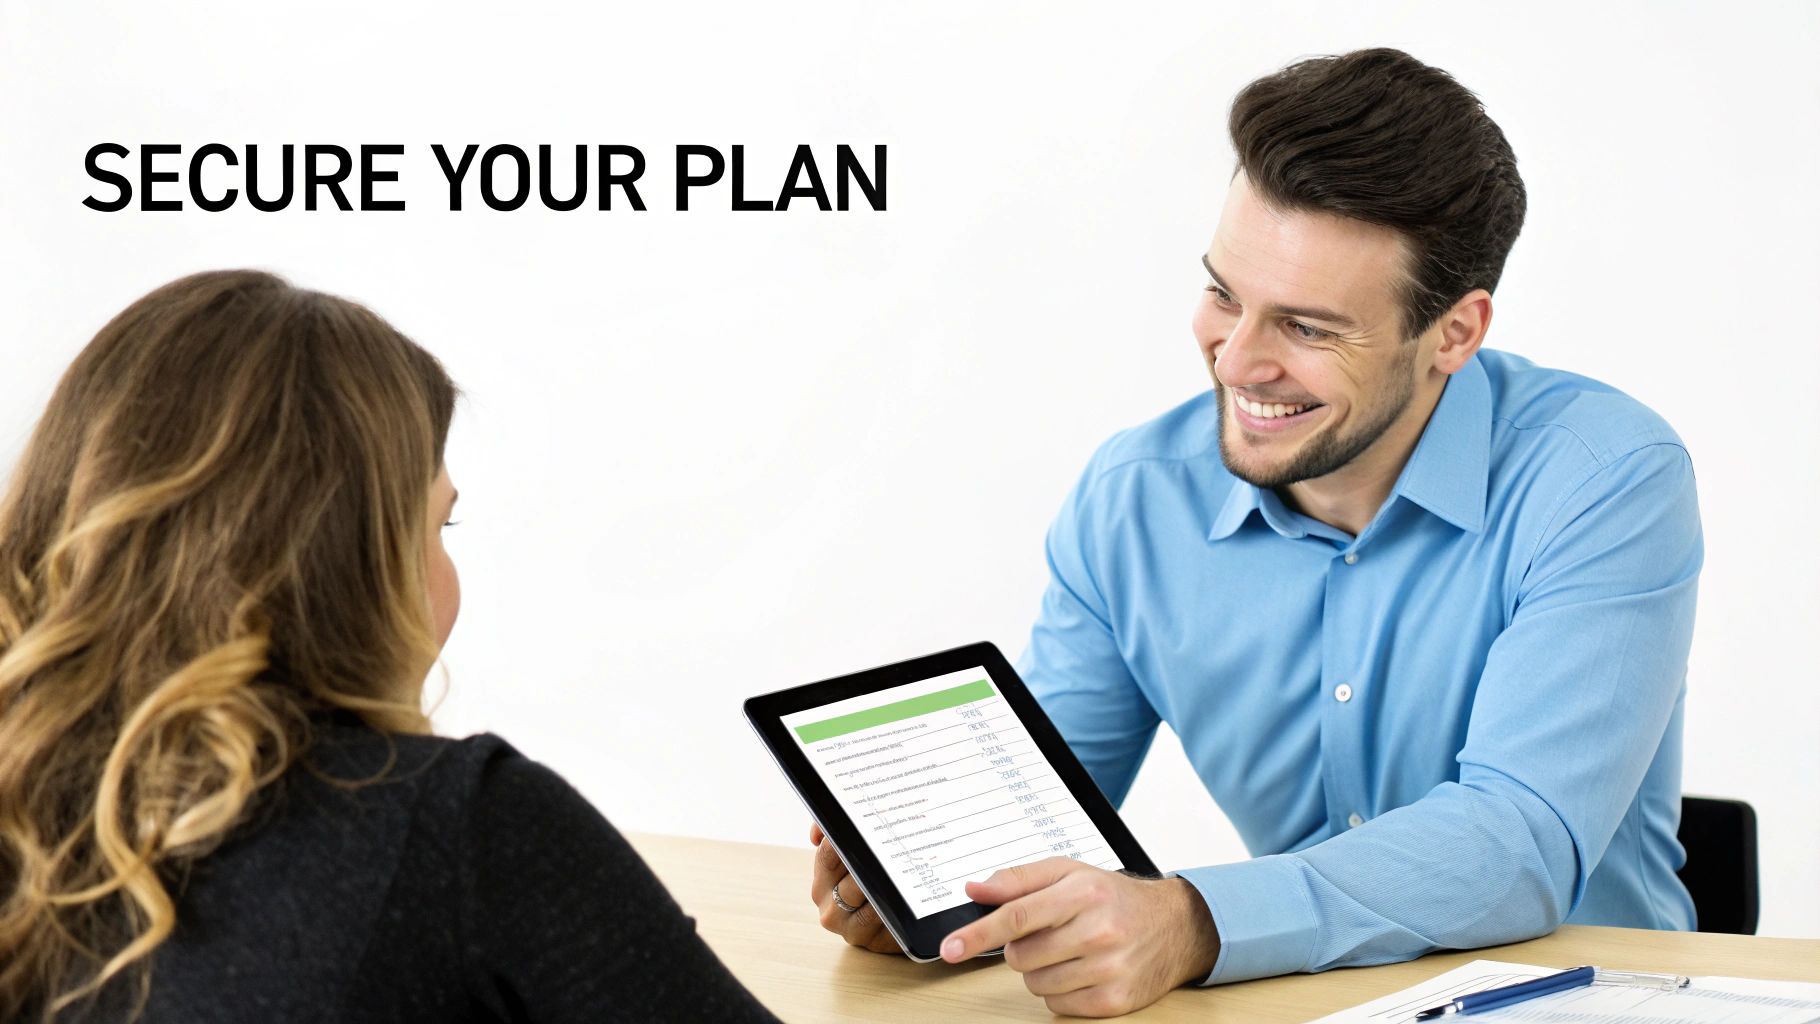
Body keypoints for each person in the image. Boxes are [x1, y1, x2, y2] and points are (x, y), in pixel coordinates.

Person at [812, 47, 1701, 1017]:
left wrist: (1195, 921)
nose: (1236, 361)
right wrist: (939, 893)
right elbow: (1043, 816)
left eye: (1307, 328)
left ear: (1452, 333)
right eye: (1224, 295)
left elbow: (1518, 840)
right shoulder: (1135, 502)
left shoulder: (1602, 479)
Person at [0, 271, 779, 1023]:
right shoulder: (466, 827)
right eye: (437, 527)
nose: (447, 575)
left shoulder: (30, 809)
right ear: (341, 559)